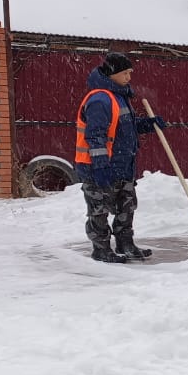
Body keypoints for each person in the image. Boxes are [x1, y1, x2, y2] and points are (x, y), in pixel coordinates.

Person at [74, 52, 166, 263]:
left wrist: (148, 124)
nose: (129, 77)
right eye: (125, 73)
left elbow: (126, 129)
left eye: (130, 73)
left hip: (122, 165)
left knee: (127, 207)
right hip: (99, 167)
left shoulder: (120, 96)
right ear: (112, 74)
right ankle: (101, 249)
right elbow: (95, 137)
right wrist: (100, 166)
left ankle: (126, 244)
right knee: (99, 210)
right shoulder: (100, 99)